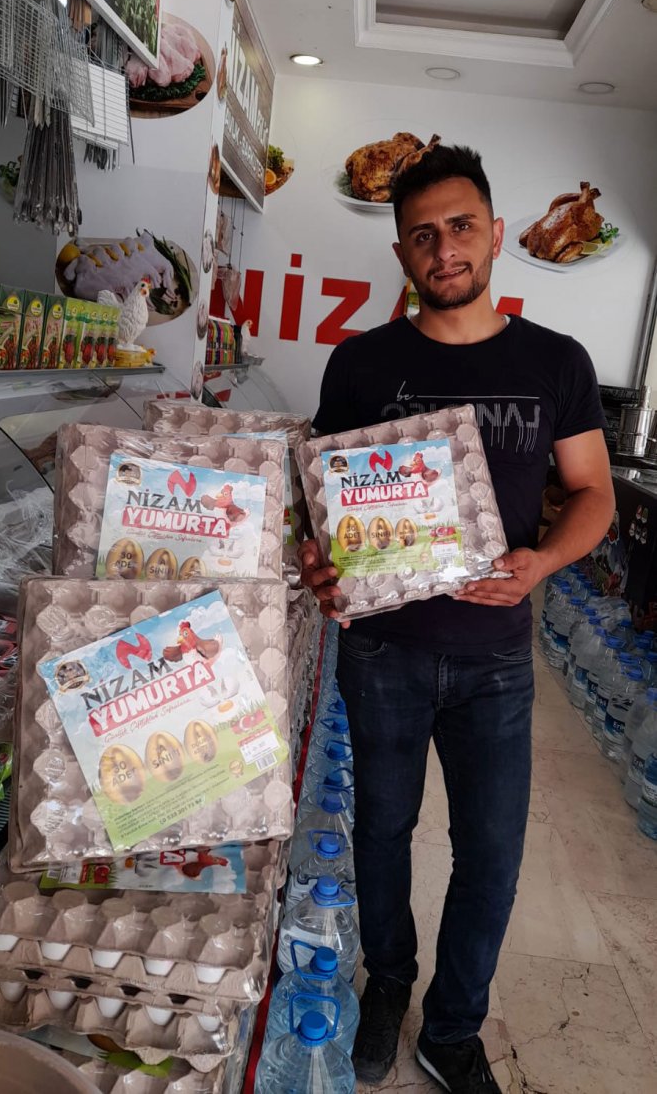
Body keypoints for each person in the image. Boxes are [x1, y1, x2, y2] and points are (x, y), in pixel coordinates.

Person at [300, 143, 614, 1093]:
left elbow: (594, 493)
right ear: (401, 251)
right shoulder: (361, 363)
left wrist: (543, 562)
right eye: (424, 234)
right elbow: (323, 505)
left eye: (462, 226)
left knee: (491, 853)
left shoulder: (556, 362)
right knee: (381, 833)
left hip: (496, 661)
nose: (446, 249)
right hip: (383, 651)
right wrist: (319, 560)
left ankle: (452, 1027)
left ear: (495, 234)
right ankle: (389, 982)